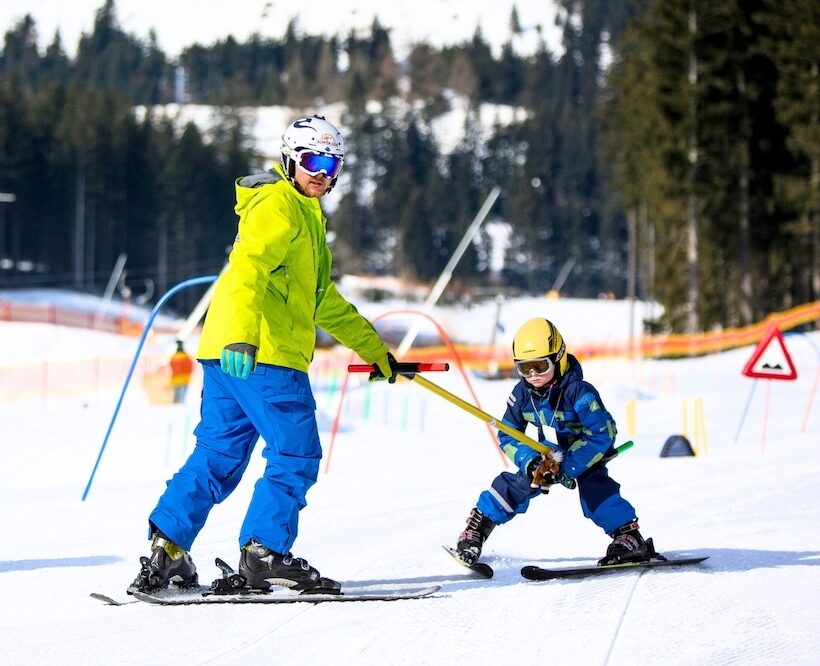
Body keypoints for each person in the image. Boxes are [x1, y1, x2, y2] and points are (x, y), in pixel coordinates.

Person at [130, 115, 396, 595]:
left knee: (217, 454)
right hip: (263, 355)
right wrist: (242, 335)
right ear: (291, 158)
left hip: (228, 356)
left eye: (332, 164)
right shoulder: (279, 205)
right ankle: (263, 553)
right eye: (314, 160)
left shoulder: (304, 216)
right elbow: (246, 269)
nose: (322, 173)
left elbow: (321, 300)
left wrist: (374, 349)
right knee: (295, 454)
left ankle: (167, 549)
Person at [453, 317, 655, 567]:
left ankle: (628, 536)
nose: (533, 375)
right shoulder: (522, 395)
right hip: (547, 457)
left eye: (540, 365)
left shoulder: (579, 392)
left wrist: (568, 465)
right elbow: (508, 433)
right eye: (525, 368)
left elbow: (601, 434)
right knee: (516, 485)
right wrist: (532, 462)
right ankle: (476, 529)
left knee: (595, 488)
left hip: (585, 453)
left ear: (558, 358)